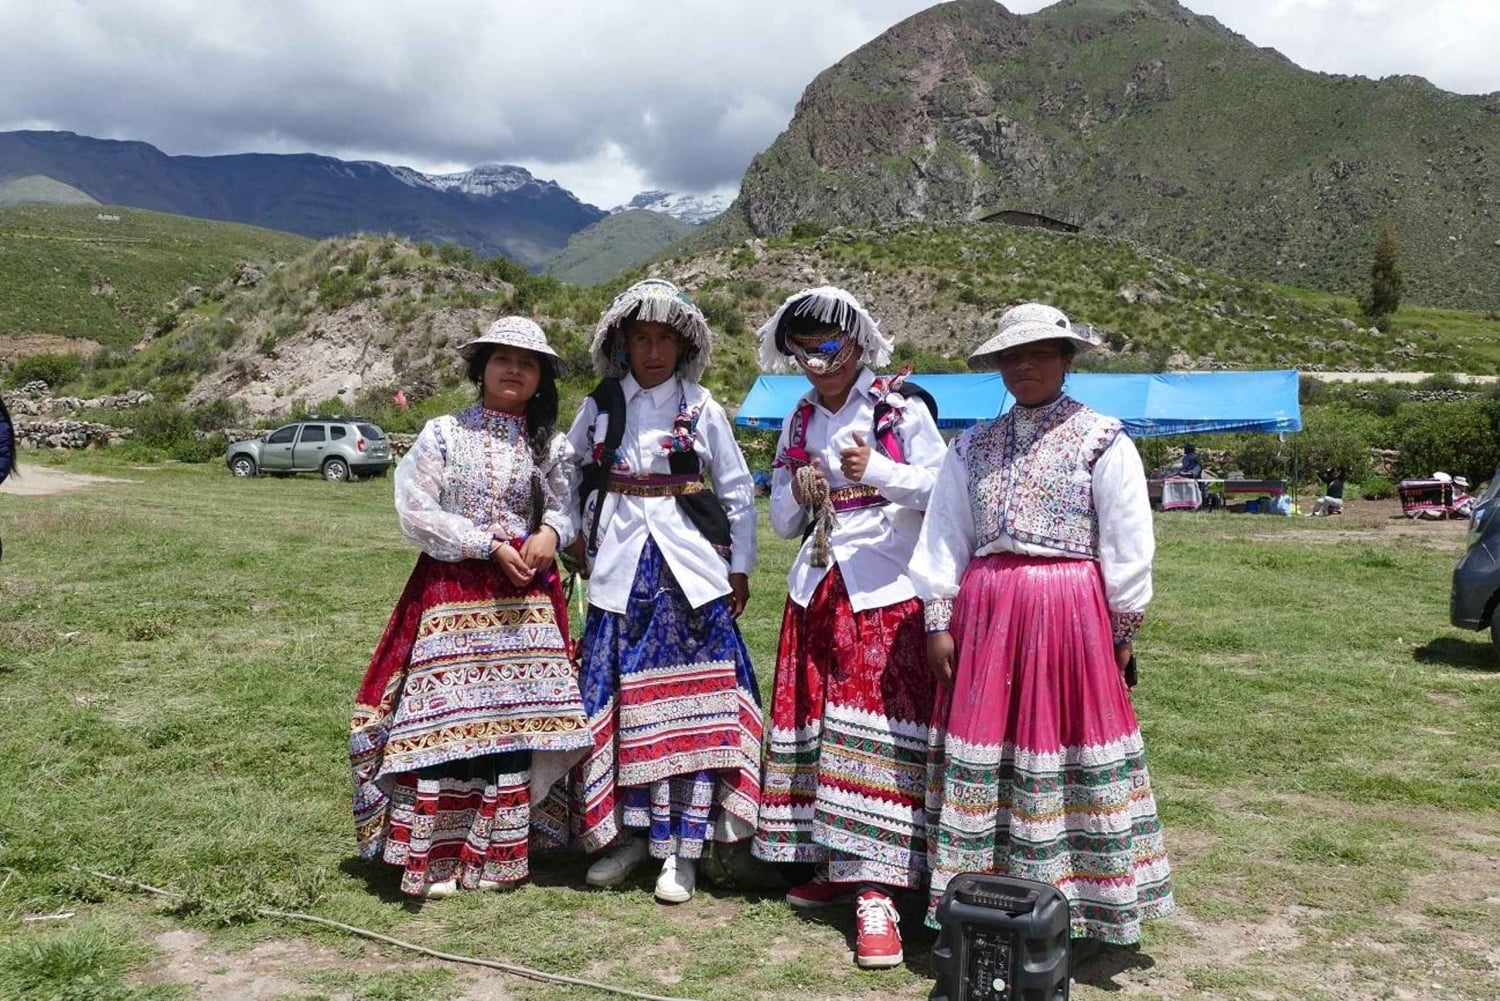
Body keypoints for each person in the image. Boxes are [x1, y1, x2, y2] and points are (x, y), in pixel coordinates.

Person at [912, 302, 1174, 948]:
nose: (1024, 366)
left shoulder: (1102, 439)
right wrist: (937, 617)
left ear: (1065, 359)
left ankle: (1080, 907)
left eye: (1038, 353)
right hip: (989, 613)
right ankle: (984, 899)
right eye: (1011, 356)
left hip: (1069, 615)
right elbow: (945, 533)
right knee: (992, 754)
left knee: (1065, 749)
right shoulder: (972, 445)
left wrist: (1123, 627)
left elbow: (1127, 541)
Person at [349, 317, 591, 899]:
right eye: (502, 359)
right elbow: (416, 508)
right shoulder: (442, 434)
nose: (514, 370)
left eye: (527, 363)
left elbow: (569, 506)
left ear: (541, 380)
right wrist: (487, 544)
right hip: (455, 592)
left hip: (527, 597)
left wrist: (552, 535)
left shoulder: (551, 445)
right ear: (479, 368)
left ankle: (501, 852)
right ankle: (432, 855)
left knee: (512, 721)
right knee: (444, 721)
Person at [750, 287, 947, 969]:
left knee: (880, 737)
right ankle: (838, 862)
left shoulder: (900, 408)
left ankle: (880, 890)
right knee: (825, 729)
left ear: (858, 342)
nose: (815, 361)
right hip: (819, 586)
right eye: (801, 349)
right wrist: (798, 487)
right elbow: (779, 522)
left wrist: (880, 470)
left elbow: (945, 490)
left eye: (827, 346)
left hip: (888, 589)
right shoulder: (799, 419)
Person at [566, 278, 762, 905]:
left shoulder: (702, 408)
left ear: (683, 347)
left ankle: (683, 846)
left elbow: (734, 491)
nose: (653, 350)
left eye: (665, 339)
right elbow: (565, 472)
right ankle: (624, 834)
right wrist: (571, 537)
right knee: (619, 698)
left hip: (688, 572)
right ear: (622, 345)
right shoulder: (599, 406)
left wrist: (740, 568)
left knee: (690, 703)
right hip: (620, 570)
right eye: (641, 338)